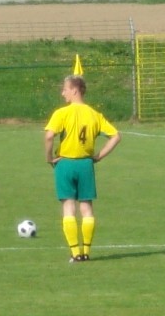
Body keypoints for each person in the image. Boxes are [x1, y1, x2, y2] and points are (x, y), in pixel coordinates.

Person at [43, 74, 121, 262]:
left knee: (69, 207)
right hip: (86, 164)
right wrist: (98, 157)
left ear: (75, 90)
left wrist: (49, 158)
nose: (63, 93)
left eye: (65, 89)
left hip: (65, 164)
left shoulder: (62, 113)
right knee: (86, 208)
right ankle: (86, 252)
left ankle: (75, 252)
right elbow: (116, 136)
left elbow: (49, 137)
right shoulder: (94, 114)